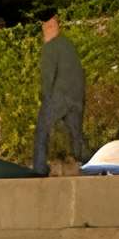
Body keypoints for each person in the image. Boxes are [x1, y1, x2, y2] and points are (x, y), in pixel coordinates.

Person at [33, 17, 87, 175]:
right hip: (76, 97)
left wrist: (45, 96)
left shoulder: (50, 46)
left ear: (49, 28)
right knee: (76, 133)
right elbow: (79, 72)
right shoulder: (68, 45)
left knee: (42, 130)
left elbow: (48, 75)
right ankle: (87, 163)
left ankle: (39, 167)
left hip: (58, 96)